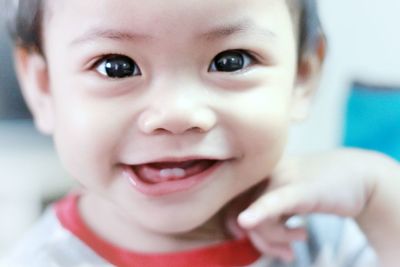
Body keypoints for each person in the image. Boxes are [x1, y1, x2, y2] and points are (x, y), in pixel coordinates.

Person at [2, 0, 399, 266]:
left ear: (302, 75)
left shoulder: (328, 232)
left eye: (230, 61)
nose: (176, 114)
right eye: (116, 67)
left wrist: (383, 197)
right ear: (44, 87)